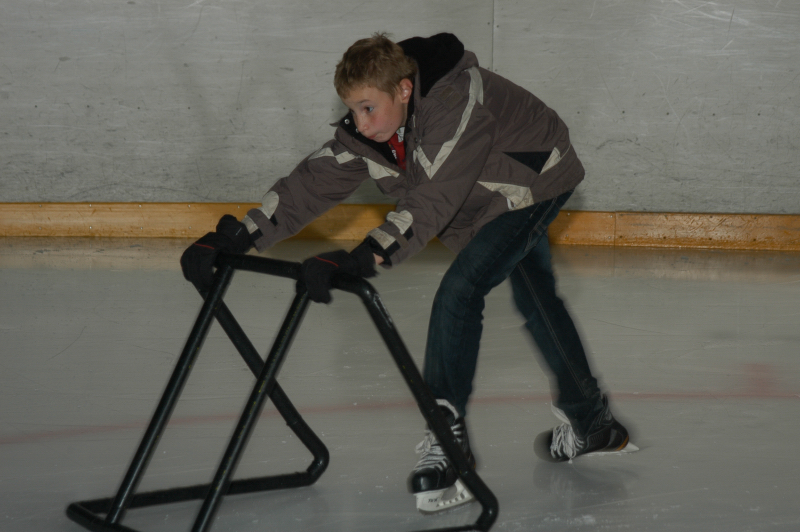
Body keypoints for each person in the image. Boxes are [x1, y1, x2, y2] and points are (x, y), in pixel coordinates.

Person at [180, 32, 635, 514]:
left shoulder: (454, 102)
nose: (360, 123)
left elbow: (433, 198)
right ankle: (592, 422)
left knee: (460, 290)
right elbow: (309, 184)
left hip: (534, 179)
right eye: (352, 110)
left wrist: (365, 256)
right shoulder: (374, 129)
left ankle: (448, 442)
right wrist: (237, 236)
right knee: (536, 296)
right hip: (482, 200)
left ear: (402, 89)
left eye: (368, 108)